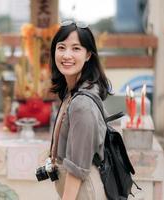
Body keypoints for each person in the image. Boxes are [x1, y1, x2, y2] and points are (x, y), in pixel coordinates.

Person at [49, 20, 112, 200]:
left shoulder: (81, 104)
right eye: (61, 47)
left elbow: (77, 168)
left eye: (76, 48)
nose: (67, 55)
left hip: (83, 193)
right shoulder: (73, 92)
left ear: (88, 55)